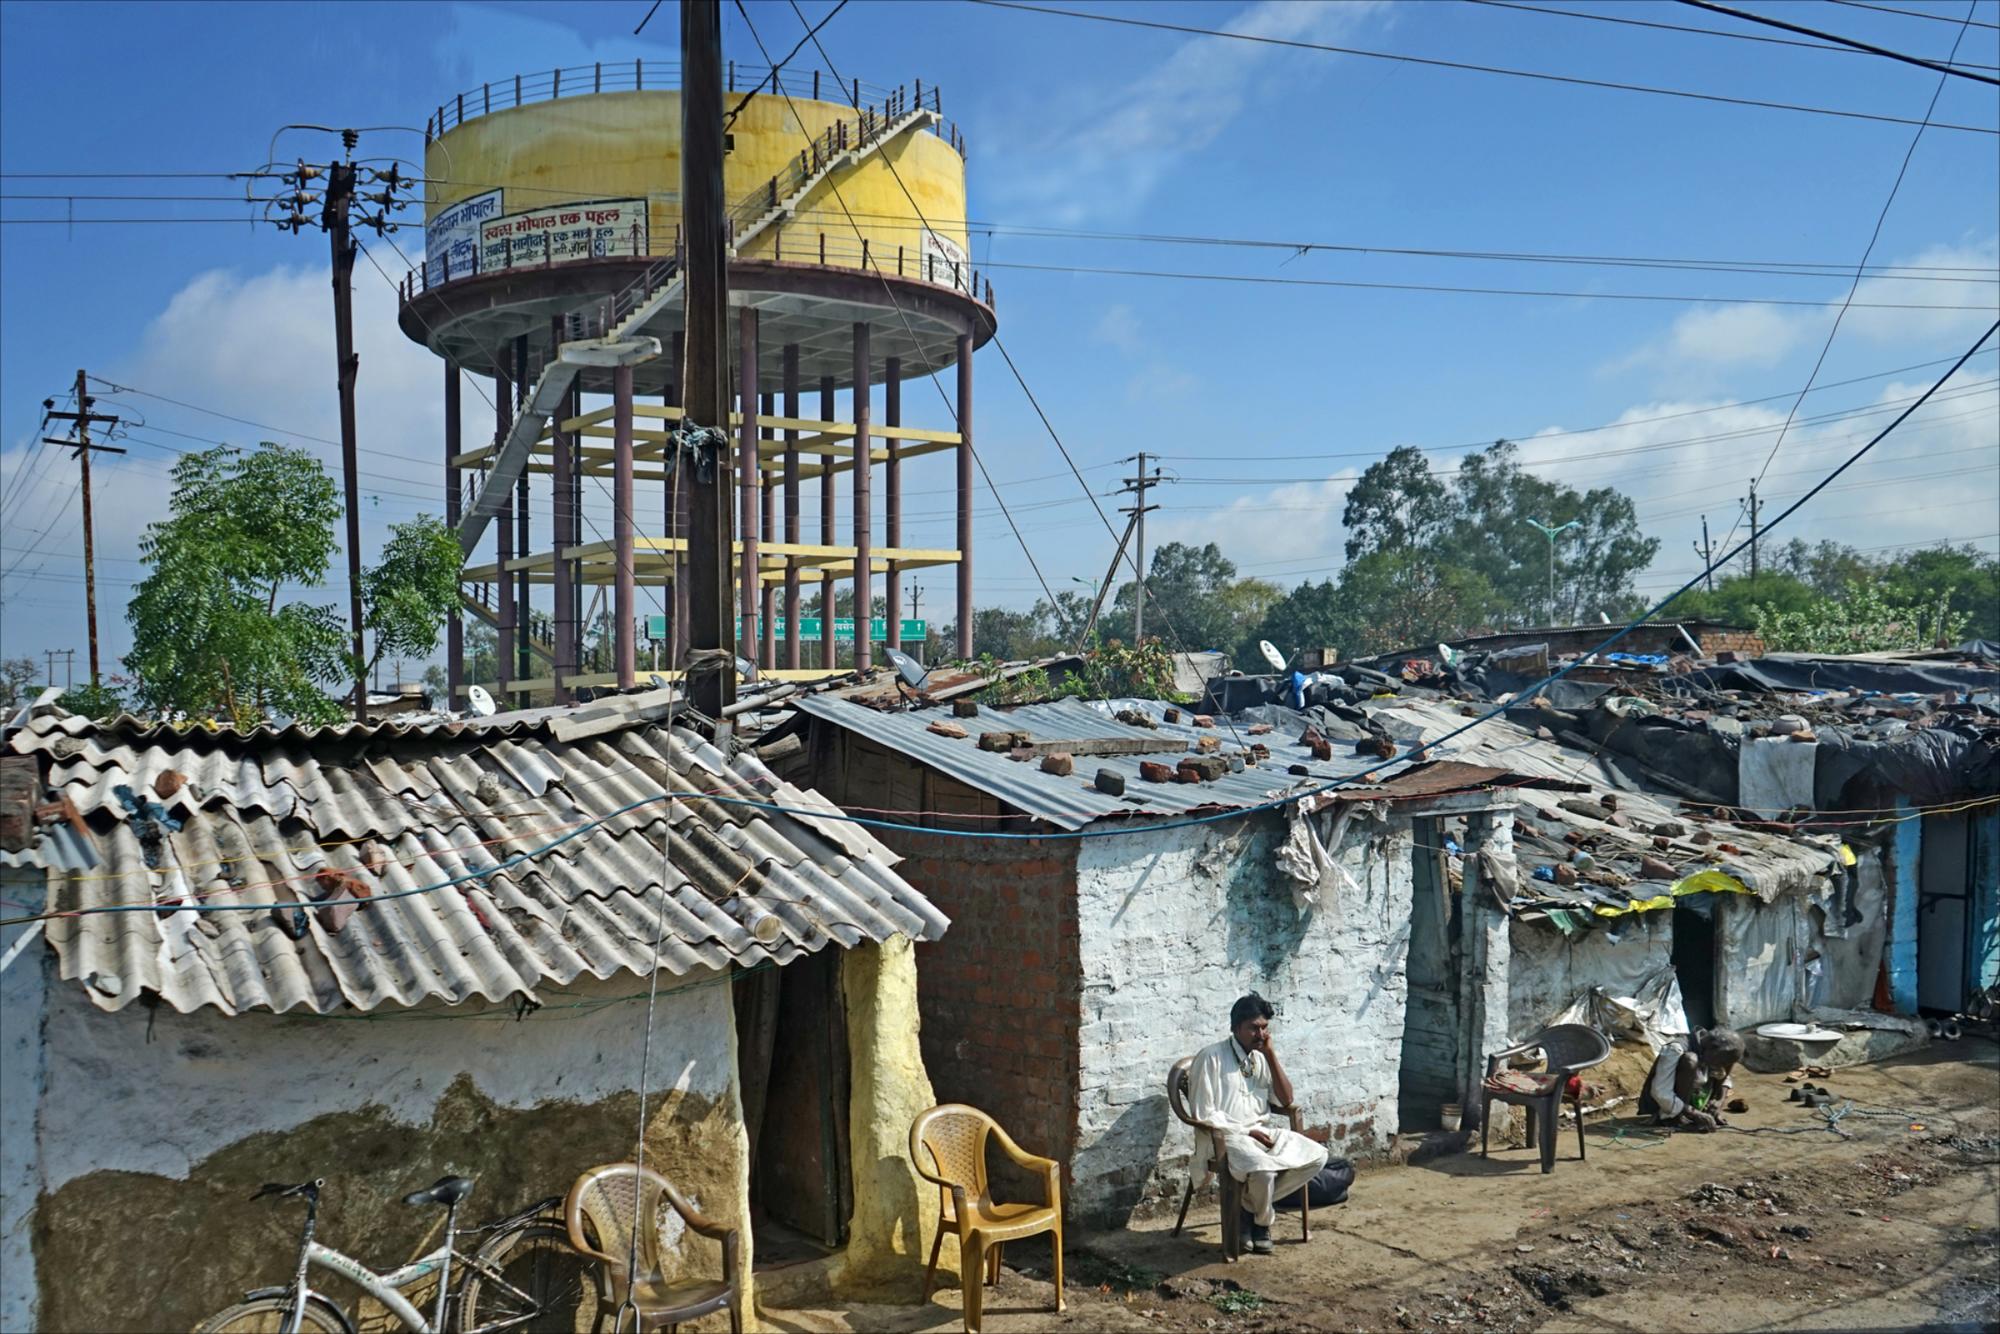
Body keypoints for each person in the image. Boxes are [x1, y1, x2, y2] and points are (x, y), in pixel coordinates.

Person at [1187, 992, 1328, 1254]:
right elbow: (1204, 1113)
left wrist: (1272, 1056)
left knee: (1317, 1156)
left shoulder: (1260, 1057)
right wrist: (1245, 1130)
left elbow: (1286, 1099)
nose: (1260, 1034)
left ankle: (1247, 1208)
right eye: (1253, 1028)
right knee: (1263, 1171)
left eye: (1264, 1028)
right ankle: (1262, 1223)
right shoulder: (1211, 1057)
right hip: (1228, 1138)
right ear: (1236, 1027)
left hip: (1262, 1133)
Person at [1640, 1027, 1745, 1131]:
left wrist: (1718, 1102)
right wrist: (1692, 1112)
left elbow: (1725, 1077)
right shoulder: (1676, 1049)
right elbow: (1660, 1092)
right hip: (1670, 1105)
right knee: (1690, 1060)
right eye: (1721, 1062)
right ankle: (1676, 1118)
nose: (1720, 1066)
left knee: (1730, 1059)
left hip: (1697, 1097)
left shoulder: (1711, 1051)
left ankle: (1708, 1111)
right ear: (1712, 1048)